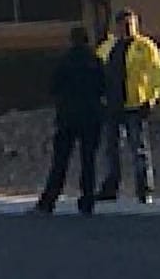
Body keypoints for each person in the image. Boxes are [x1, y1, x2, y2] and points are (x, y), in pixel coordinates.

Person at [34, 26, 107, 216]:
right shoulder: (96, 61)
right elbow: (104, 87)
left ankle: (49, 201)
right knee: (88, 160)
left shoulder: (64, 61)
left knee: (60, 161)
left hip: (68, 116)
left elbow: (53, 87)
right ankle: (87, 201)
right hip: (91, 116)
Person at [94, 9, 160, 205]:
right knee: (110, 149)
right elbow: (98, 74)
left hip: (135, 104)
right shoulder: (107, 47)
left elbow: (156, 74)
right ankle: (110, 187)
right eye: (123, 24)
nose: (127, 27)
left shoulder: (145, 46)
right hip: (111, 105)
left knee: (138, 148)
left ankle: (144, 189)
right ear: (116, 26)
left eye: (130, 24)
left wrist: (151, 99)